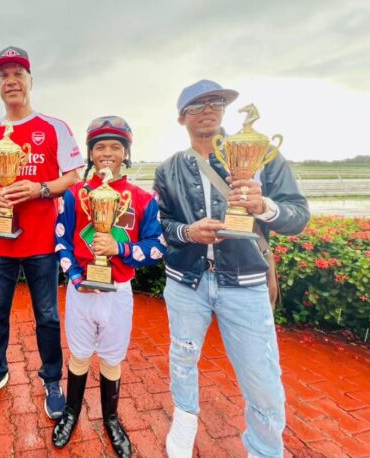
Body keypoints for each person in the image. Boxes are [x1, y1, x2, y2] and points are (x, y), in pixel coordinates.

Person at [153, 80, 310, 458]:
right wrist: (189, 232)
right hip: (186, 282)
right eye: (196, 105)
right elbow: (163, 225)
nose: (207, 109)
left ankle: (265, 449)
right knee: (183, 357)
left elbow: (298, 215)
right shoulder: (169, 169)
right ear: (181, 118)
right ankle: (185, 420)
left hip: (245, 283)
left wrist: (264, 206)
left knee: (262, 377)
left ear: (224, 109)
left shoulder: (261, 154)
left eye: (216, 102)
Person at [0, 46, 84, 419]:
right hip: (0, 241)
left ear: (30, 81)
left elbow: (73, 176)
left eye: (18, 73)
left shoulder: (54, 128)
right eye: (4, 75)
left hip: (42, 241)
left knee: (47, 314)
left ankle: (51, 378)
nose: (11, 81)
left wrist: (40, 189)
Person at [52, 116, 166, 457]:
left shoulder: (143, 199)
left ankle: (111, 418)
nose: (107, 153)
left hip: (119, 293)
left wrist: (121, 248)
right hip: (81, 292)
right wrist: (75, 277)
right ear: (90, 153)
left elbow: (157, 247)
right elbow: (61, 242)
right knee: (79, 355)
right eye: (100, 146)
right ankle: (71, 412)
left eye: (116, 146)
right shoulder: (74, 195)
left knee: (112, 358)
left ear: (126, 153)